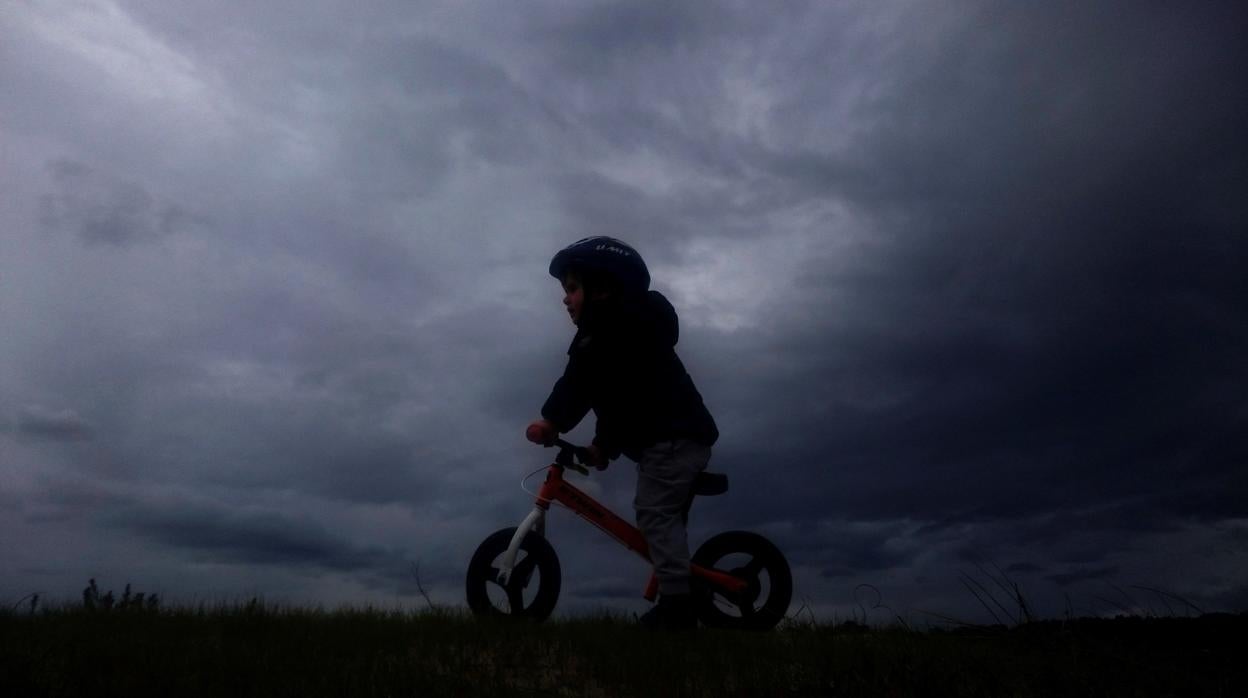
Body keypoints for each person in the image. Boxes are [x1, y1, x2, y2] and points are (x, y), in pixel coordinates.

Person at [526, 236, 719, 630]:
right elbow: (617, 401)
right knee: (660, 519)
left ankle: (678, 608)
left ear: (603, 290)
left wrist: (551, 422)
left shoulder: (619, 332)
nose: (565, 300)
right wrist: (602, 446)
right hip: (668, 438)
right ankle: (680, 589)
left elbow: (581, 385)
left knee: (653, 513)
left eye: (573, 289)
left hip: (675, 437)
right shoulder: (605, 340)